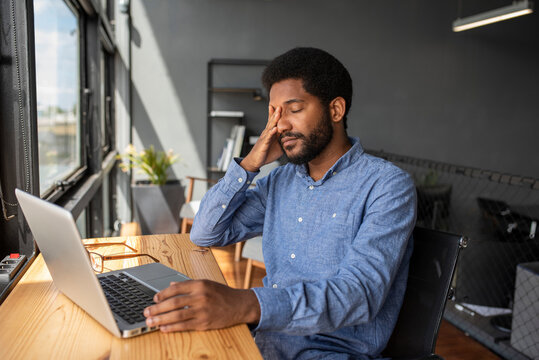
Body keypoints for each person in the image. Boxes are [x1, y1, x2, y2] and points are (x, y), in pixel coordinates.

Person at [144, 47, 416, 359]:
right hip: (264, 341)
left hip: (329, 352)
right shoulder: (280, 181)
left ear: (336, 110)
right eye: (273, 112)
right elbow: (205, 233)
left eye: (293, 109)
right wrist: (248, 164)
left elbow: (359, 295)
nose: (279, 125)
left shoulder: (388, 186)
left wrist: (246, 302)